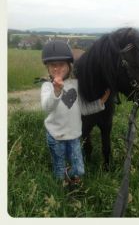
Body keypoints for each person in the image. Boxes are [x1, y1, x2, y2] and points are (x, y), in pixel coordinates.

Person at [41, 40, 110, 186]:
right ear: (47, 68)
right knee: (59, 172)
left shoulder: (76, 85)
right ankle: (61, 190)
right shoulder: (47, 87)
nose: (57, 68)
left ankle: (70, 176)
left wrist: (100, 103)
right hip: (56, 136)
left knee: (79, 169)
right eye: (53, 65)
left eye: (61, 64)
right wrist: (56, 91)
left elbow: (83, 109)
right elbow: (47, 107)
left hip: (74, 136)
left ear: (69, 66)